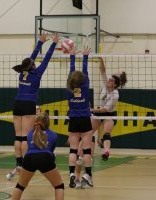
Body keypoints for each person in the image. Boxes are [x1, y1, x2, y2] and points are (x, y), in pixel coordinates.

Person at [8, 32, 60, 180]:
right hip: (29, 104)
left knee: (18, 136)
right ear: (33, 66)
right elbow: (47, 59)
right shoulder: (36, 74)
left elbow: (30, 59)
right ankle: (24, 164)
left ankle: (18, 163)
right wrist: (54, 43)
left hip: (17, 103)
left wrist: (40, 43)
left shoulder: (22, 73)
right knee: (25, 136)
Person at [11, 112, 64, 200]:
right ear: (48, 123)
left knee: (20, 186)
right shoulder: (53, 134)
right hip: (45, 158)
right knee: (59, 186)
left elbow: (30, 147)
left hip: (29, 158)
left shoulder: (29, 134)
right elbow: (51, 151)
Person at [67, 46, 93, 189]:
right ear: (83, 81)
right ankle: (87, 175)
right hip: (85, 120)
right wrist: (85, 57)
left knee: (73, 150)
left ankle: (71, 175)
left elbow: (72, 74)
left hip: (73, 120)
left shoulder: (69, 88)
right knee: (87, 150)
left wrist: (71, 56)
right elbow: (85, 71)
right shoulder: (85, 87)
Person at [91, 57, 127, 161]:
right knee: (89, 131)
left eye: (111, 80)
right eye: (109, 79)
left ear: (114, 84)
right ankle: (88, 154)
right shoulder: (106, 85)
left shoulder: (115, 95)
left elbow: (104, 110)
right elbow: (102, 70)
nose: (108, 80)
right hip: (99, 112)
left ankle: (106, 152)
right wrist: (101, 58)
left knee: (107, 133)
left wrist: (91, 110)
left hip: (108, 114)